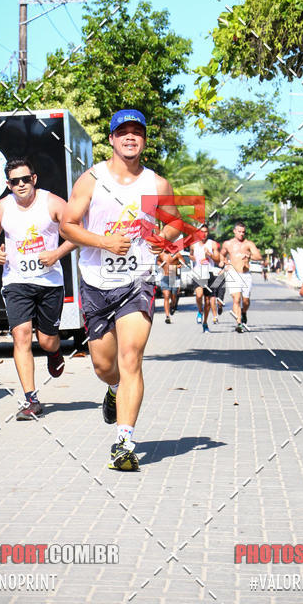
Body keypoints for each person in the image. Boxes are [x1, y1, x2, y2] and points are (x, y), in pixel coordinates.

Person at [60, 109, 181, 472]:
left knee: (131, 359)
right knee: (104, 365)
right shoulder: (92, 180)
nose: (130, 137)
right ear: (111, 139)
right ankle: (112, 390)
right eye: (123, 132)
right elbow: (67, 226)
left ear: (144, 139)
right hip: (96, 281)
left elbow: (176, 224)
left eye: (137, 132)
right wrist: (103, 242)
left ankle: (124, 443)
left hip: (138, 281)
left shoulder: (155, 184)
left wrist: (164, 240)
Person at [0, 157, 76, 420]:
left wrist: (57, 253)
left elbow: (77, 233)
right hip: (16, 282)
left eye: (26, 179)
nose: (21, 184)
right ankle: (31, 400)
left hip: (49, 282)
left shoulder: (54, 204)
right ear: (8, 184)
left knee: (46, 340)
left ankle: (54, 351)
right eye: (15, 181)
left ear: (34, 179)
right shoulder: (1, 208)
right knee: (21, 335)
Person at [220, 221, 262, 332]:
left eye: (243, 232)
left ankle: (243, 312)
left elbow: (258, 256)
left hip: (246, 274)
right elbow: (222, 254)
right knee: (236, 299)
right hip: (233, 274)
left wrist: (249, 255)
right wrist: (223, 262)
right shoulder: (228, 244)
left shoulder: (248, 244)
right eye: (239, 231)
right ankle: (238, 323)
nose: (241, 234)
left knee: (246, 301)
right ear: (234, 231)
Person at [190, 224, 224, 332]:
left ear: (208, 233)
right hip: (198, 273)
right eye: (201, 232)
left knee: (208, 301)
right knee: (199, 295)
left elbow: (218, 260)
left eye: (205, 232)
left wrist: (209, 254)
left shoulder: (212, 244)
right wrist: (194, 258)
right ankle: (200, 311)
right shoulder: (193, 245)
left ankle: (205, 323)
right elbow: (191, 255)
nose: (203, 234)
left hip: (209, 273)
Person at [157, 248, 184, 323]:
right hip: (165, 277)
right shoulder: (161, 254)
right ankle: (167, 316)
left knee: (174, 296)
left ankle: (173, 305)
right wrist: (160, 264)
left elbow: (183, 262)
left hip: (173, 276)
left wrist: (178, 266)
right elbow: (158, 261)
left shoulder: (176, 254)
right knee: (166, 296)